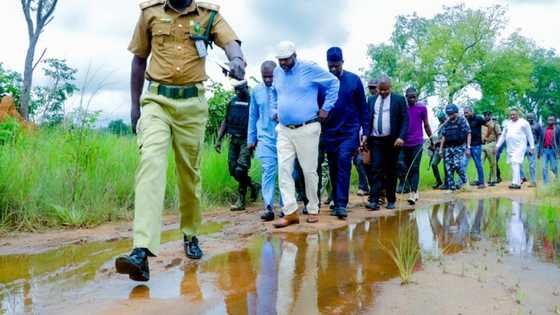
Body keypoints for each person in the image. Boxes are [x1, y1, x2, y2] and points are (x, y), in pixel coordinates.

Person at [116, 0, 246, 282]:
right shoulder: (150, 12)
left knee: (189, 174)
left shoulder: (209, 15)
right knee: (150, 163)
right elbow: (139, 59)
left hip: (191, 106)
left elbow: (230, 41)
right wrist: (135, 106)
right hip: (156, 102)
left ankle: (190, 233)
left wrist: (237, 59)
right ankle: (141, 249)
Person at [271, 41, 339, 228]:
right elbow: (274, 94)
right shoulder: (277, 72)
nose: (283, 64)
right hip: (284, 129)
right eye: (280, 60)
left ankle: (313, 207)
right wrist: (274, 109)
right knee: (284, 170)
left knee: (309, 171)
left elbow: (334, 83)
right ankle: (290, 212)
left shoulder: (309, 69)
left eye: (286, 60)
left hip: (307, 128)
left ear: (295, 55)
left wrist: (326, 107)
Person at [322, 47, 369, 219]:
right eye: (330, 66)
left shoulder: (354, 80)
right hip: (330, 131)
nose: (333, 69)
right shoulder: (323, 82)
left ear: (342, 62)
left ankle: (341, 204)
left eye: (336, 66)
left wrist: (365, 131)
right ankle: (335, 198)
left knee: (343, 160)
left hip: (350, 130)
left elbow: (363, 108)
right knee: (334, 166)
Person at [366, 75, 409, 210]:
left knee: (391, 171)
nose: (383, 92)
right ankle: (374, 200)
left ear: (390, 87)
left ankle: (391, 200)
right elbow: (369, 119)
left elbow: (405, 120)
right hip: (376, 140)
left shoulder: (399, 100)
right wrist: (365, 136)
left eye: (386, 90)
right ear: (377, 88)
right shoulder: (371, 100)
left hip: (392, 141)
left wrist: (401, 137)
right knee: (376, 169)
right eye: (381, 90)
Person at [215, 81, 258, 211]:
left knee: (241, 170)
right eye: (236, 90)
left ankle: (241, 200)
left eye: (240, 89)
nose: (238, 92)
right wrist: (218, 139)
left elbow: (257, 121)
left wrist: (255, 141)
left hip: (247, 140)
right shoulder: (232, 102)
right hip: (234, 140)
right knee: (233, 170)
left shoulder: (253, 102)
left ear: (246, 87)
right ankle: (253, 185)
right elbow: (225, 121)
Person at [247, 61, 282, 221]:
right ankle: (268, 207)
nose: (268, 80)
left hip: (283, 135)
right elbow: (253, 116)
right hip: (265, 137)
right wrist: (251, 139)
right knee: (268, 171)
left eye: (271, 76)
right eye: (265, 77)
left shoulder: (283, 88)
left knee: (285, 172)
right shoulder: (257, 91)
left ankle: (285, 206)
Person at [401, 87, 432, 205]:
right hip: (404, 143)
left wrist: (431, 139)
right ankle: (412, 188)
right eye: (410, 97)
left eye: (414, 97)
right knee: (403, 166)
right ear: (406, 97)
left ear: (417, 97)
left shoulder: (422, 108)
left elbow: (427, 124)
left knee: (414, 167)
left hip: (417, 142)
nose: (413, 99)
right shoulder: (402, 108)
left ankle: (413, 193)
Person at [496, 109, 535, 189]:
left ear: (518, 115)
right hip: (510, 148)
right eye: (511, 115)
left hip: (520, 146)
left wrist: (532, 147)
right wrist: (497, 146)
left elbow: (529, 135)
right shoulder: (508, 123)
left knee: (515, 162)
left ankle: (516, 183)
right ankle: (517, 182)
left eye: (514, 115)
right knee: (515, 164)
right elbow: (503, 135)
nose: (512, 116)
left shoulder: (524, 122)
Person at [439, 104, 471, 192]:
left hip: (460, 146)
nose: (450, 116)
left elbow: (468, 133)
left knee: (458, 165)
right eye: (448, 114)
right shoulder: (446, 122)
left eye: (451, 114)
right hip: (449, 147)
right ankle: (451, 187)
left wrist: (468, 148)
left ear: (456, 113)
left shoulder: (462, 120)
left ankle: (465, 182)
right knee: (448, 167)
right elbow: (443, 136)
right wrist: (441, 150)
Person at [463, 106, 487, 189]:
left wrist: (485, 136)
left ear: (471, 112)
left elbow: (489, 126)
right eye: (464, 113)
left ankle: (481, 182)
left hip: (477, 145)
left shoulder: (478, 118)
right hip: (467, 146)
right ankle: (462, 183)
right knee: (463, 164)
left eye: (466, 112)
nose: (465, 114)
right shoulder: (465, 120)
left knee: (478, 164)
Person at [521, 113, 543, 187]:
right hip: (523, 146)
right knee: (519, 162)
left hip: (533, 146)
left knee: (532, 165)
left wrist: (539, 149)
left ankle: (533, 182)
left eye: (531, 118)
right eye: (528, 118)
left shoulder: (537, 125)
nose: (529, 119)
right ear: (526, 118)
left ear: (534, 117)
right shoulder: (523, 125)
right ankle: (522, 177)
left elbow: (541, 137)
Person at [481, 111, 501, 186]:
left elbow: (499, 135)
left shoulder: (495, 124)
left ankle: (493, 180)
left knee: (492, 163)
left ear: (491, 115)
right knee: (480, 162)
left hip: (492, 143)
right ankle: (479, 179)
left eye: (488, 115)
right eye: (485, 115)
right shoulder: (482, 124)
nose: (486, 116)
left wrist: (497, 146)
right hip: (483, 145)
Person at [429, 112, 448, 189]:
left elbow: (445, 137)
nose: (440, 120)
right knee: (433, 164)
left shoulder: (448, 124)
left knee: (446, 166)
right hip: (438, 148)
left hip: (446, 147)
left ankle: (447, 183)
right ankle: (438, 180)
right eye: (439, 119)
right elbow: (439, 137)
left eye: (441, 118)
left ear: (444, 117)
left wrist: (437, 142)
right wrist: (433, 144)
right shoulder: (439, 125)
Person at [539, 115, 559, 184]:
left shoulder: (557, 129)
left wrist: (558, 152)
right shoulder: (544, 129)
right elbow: (541, 141)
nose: (550, 121)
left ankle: (555, 182)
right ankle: (546, 183)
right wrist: (539, 153)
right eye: (549, 120)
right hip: (544, 151)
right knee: (544, 168)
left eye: (551, 120)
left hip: (553, 151)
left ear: (554, 121)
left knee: (554, 167)